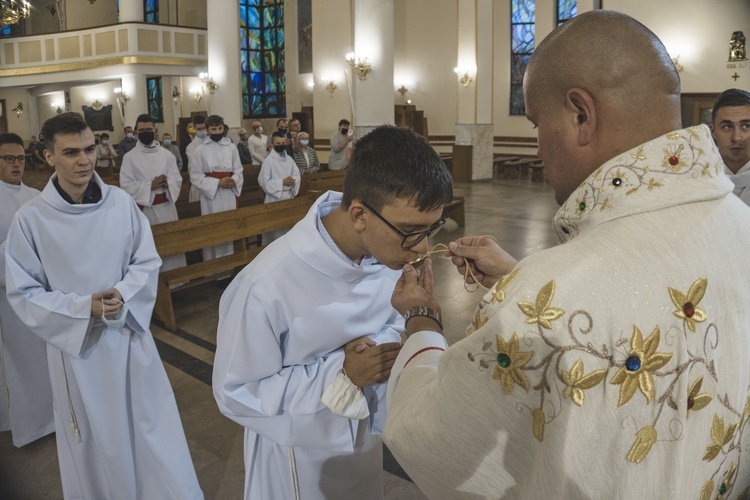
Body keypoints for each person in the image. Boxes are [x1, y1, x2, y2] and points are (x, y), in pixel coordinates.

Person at [384, 11, 750, 499]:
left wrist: (423, 320)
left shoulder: (546, 296)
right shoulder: (741, 224)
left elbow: (436, 438)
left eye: (536, 122)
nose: (537, 147)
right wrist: (523, 279)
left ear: (581, 114)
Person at [213, 124, 453, 500]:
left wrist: (405, 324)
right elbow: (236, 391)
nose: (421, 246)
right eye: (410, 231)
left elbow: (387, 329)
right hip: (298, 460)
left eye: (430, 229)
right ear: (359, 214)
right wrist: (341, 375)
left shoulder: (384, 254)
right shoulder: (266, 284)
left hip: (362, 446)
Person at [4, 112, 202, 499]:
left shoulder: (120, 204)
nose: (85, 160)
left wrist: (124, 294)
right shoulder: (31, 220)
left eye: (90, 149)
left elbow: (146, 261)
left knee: (151, 429)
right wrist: (83, 308)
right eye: (71, 152)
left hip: (129, 339)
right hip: (78, 352)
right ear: (48, 157)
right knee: (99, 441)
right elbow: (24, 293)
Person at [0, 133, 54, 448]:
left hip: (39, 293)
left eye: (20, 158)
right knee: (17, 361)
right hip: (8, 296)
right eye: (8, 158)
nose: (16, 164)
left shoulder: (35, 196)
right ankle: (24, 423)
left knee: (40, 359)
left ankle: (47, 417)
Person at [120, 114, 186, 272]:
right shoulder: (130, 158)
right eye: (141, 130)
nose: (145, 132)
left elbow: (177, 179)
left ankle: (175, 283)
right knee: (150, 250)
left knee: (171, 245)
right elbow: (126, 186)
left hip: (167, 208)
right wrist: (150, 185)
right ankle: (153, 287)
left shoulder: (167, 155)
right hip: (145, 212)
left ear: (155, 131)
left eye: (148, 129)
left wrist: (167, 183)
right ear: (136, 132)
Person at [189, 114, 244, 260]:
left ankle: (231, 264)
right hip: (211, 196)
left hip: (228, 194)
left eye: (220, 128)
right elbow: (195, 176)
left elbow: (238, 169)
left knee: (229, 229)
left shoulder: (232, 147)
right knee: (213, 230)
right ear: (207, 130)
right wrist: (217, 183)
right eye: (213, 129)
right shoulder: (199, 150)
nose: (217, 132)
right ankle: (214, 269)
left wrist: (234, 180)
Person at [257, 131, 301, 244]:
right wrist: (282, 182)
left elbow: (297, 175)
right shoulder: (268, 161)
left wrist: (293, 180)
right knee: (276, 233)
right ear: (272, 144)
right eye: (278, 143)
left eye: (283, 142)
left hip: (288, 197)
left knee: (288, 230)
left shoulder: (289, 160)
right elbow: (263, 182)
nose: (281, 145)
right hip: (274, 199)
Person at [710, 88, 750, 206]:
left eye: (746, 126)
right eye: (727, 127)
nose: (737, 137)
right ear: (713, 132)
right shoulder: (697, 175)